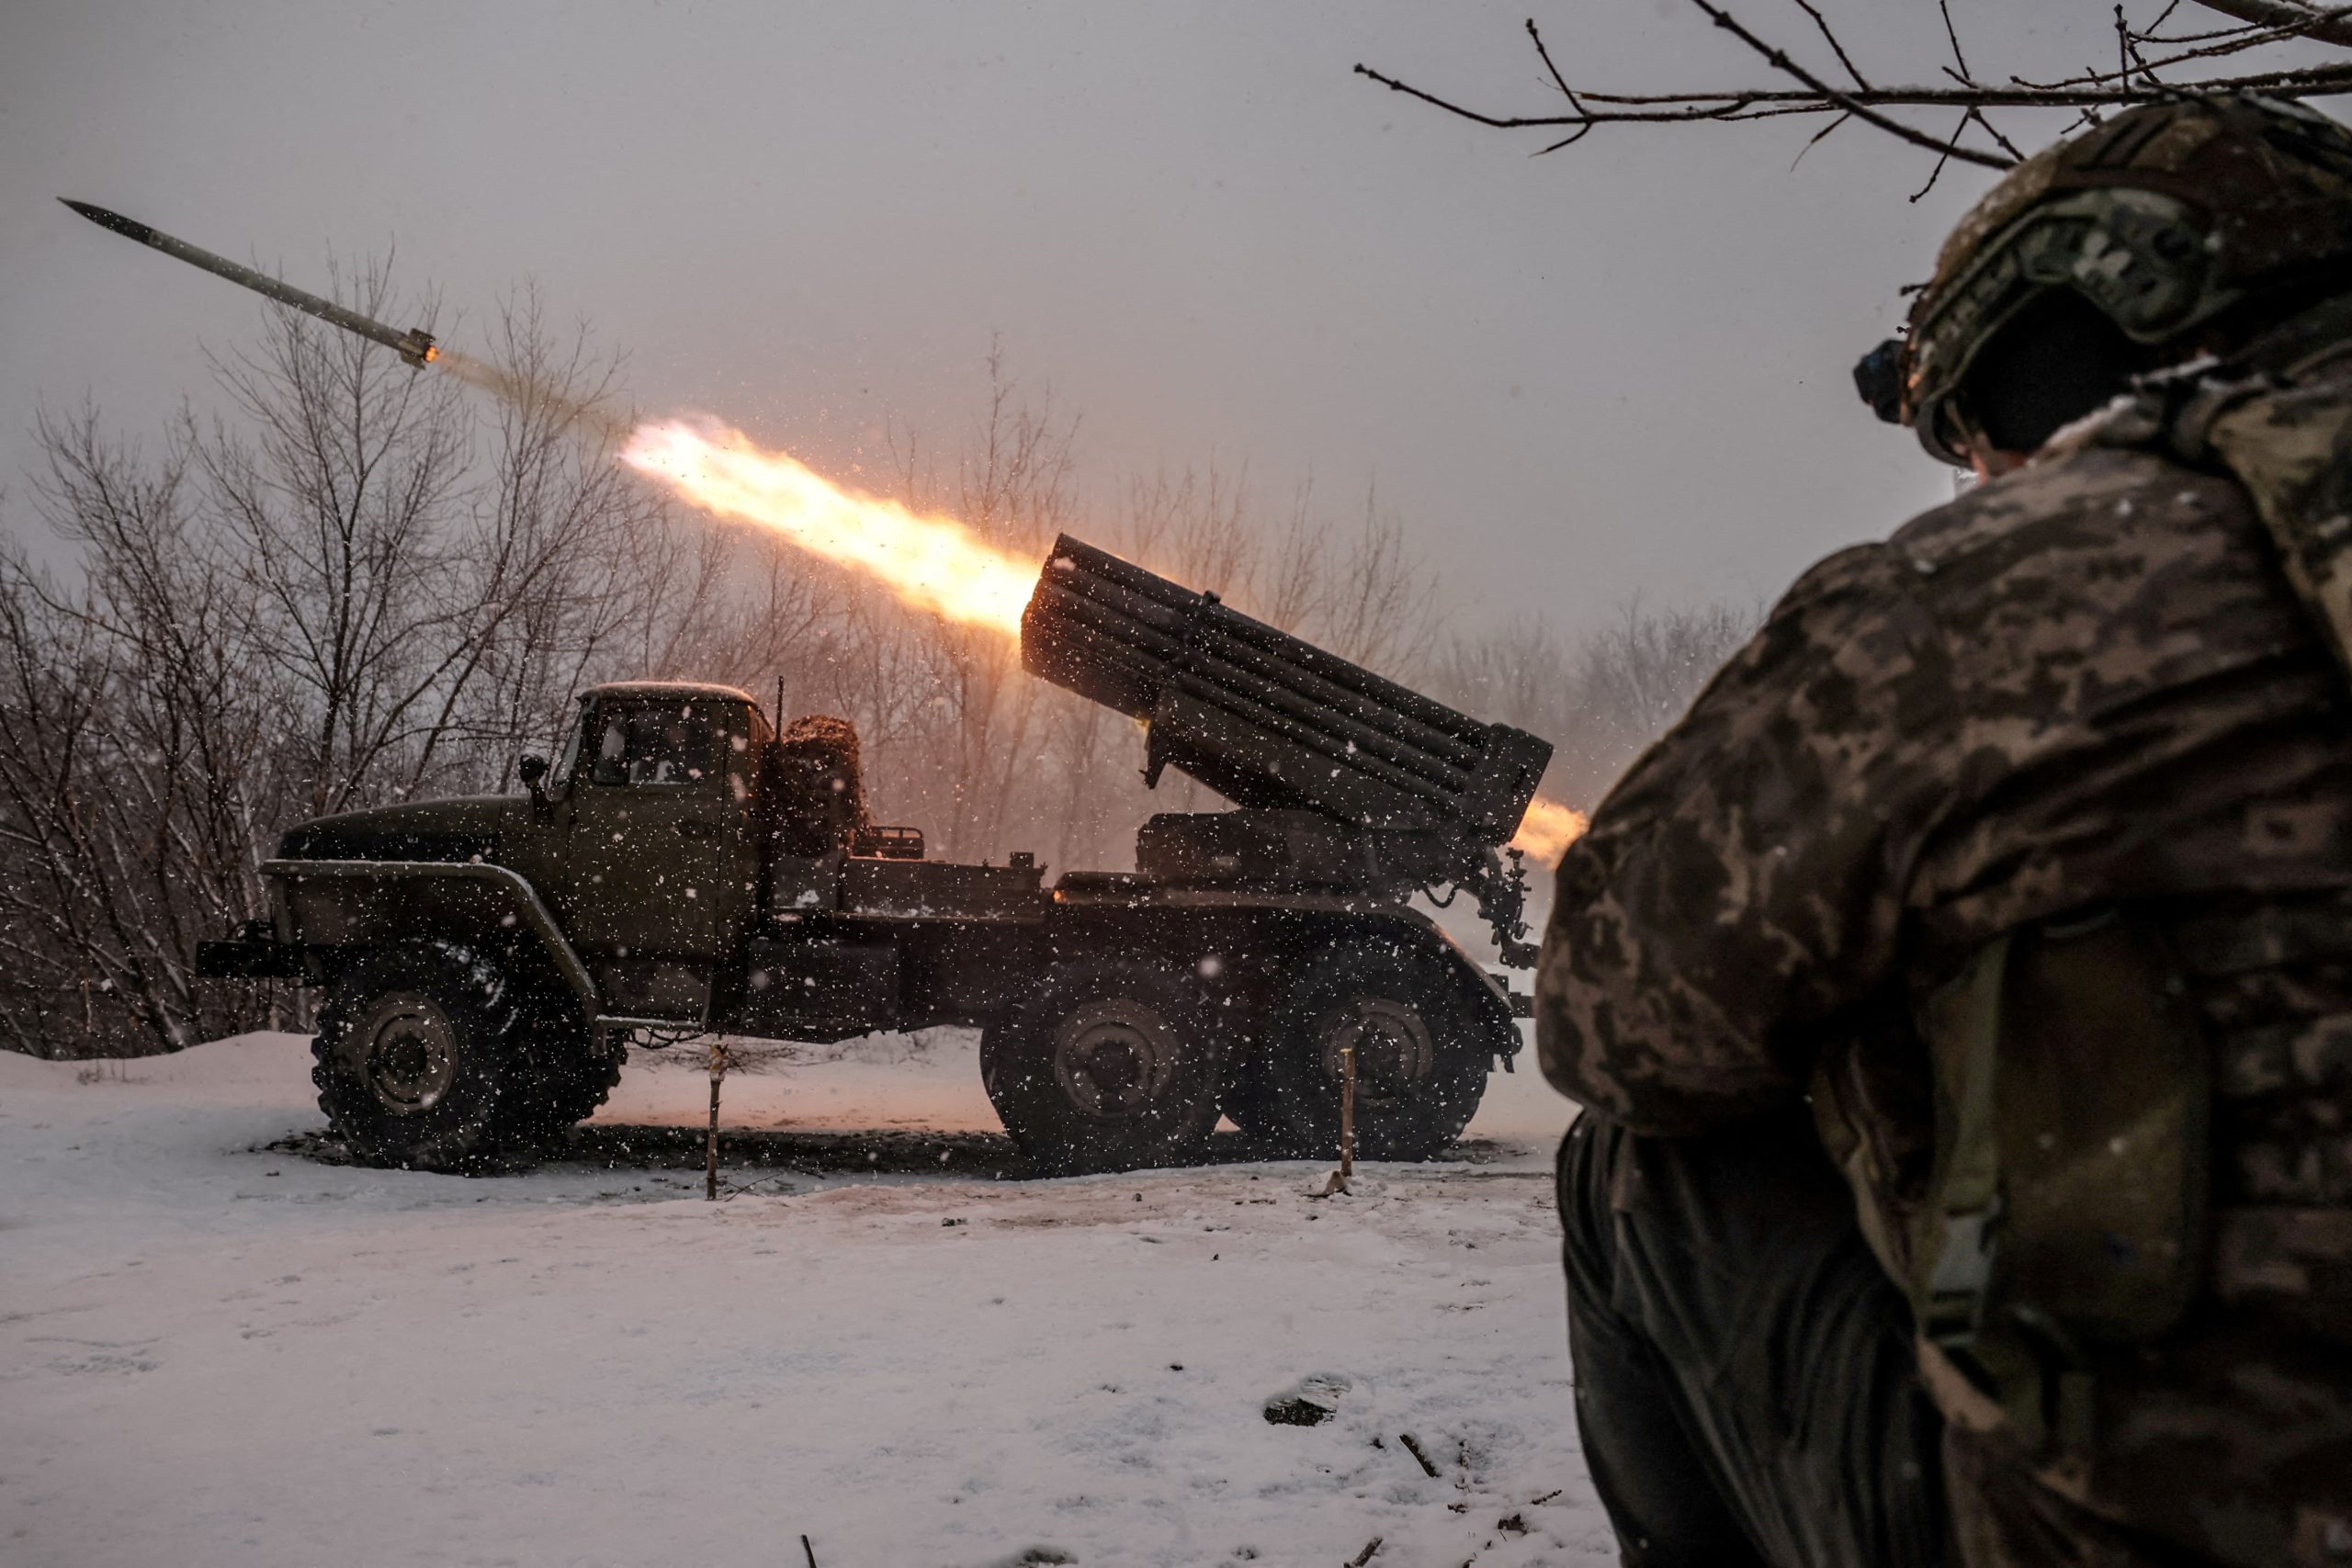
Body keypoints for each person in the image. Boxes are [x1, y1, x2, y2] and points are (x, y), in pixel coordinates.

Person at [1537, 94, 2352, 1568]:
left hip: (2144, 1533)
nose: (1973, 481)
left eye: (1971, 436)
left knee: (1637, 1160)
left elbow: (1615, 1014)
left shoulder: (1991, 603)